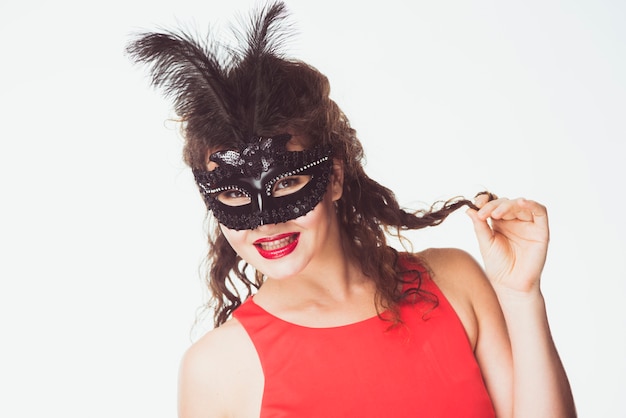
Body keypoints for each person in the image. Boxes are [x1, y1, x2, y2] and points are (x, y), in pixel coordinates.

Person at [127, 2, 576, 417]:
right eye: (234, 195)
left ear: (334, 177)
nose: (266, 221)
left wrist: (521, 295)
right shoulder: (218, 367)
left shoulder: (453, 282)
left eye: (286, 182)